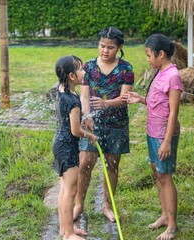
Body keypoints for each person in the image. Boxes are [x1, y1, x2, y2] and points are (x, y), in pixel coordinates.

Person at [123, 34, 183, 240]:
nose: (148, 59)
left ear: (161, 54)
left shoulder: (173, 76)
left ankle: (172, 226)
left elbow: (173, 112)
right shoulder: (160, 72)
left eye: (149, 55)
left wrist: (166, 141)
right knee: (158, 174)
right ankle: (165, 215)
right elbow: (157, 102)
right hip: (152, 132)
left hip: (163, 136)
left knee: (165, 177)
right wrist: (140, 99)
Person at [73, 26, 135, 222]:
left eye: (110, 47)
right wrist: (87, 115)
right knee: (84, 164)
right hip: (92, 123)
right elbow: (84, 96)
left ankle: (107, 206)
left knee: (112, 165)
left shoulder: (126, 69)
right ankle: (78, 205)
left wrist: (106, 103)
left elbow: (125, 97)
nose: (105, 51)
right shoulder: (89, 68)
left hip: (116, 124)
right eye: (102, 46)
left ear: (119, 48)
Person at [53, 55, 98, 240]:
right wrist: (89, 134)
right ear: (72, 76)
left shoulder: (63, 91)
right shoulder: (73, 101)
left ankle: (64, 230)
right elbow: (75, 130)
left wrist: (83, 121)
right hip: (67, 148)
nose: (84, 72)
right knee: (69, 192)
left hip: (59, 145)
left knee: (65, 190)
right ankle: (69, 234)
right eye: (80, 69)